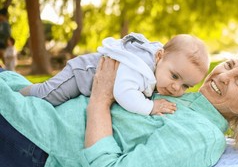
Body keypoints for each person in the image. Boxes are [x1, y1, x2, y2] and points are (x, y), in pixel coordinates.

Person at [0, 51, 238, 167]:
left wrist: (101, 97)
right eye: (230, 65)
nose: (222, 76)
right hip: (34, 110)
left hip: (37, 141)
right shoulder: (180, 91)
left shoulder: (199, 137)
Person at [19, 33, 209, 115]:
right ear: (159, 56)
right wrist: (150, 107)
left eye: (185, 86)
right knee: (47, 95)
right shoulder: (140, 66)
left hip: (88, 79)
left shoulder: (159, 66)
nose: (176, 87)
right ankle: (19, 94)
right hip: (81, 74)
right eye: (175, 76)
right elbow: (123, 93)